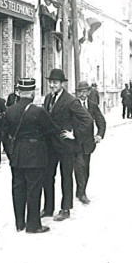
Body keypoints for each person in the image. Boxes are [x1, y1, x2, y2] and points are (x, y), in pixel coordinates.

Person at [3, 78, 58, 233]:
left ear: (19, 92)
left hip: (17, 155)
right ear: (32, 93)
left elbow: (4, 135)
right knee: (34, 189)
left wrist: (10, 153)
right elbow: (51, 131)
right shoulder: (38, 111)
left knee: (18, 188)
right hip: (35, 154)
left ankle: (19, 223)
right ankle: (33, 225)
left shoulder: (10, 110)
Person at [41, 69, 93, 221]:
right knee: (48, 177)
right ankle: (48, 208)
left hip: (66, 146)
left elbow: (88, 120)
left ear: (62, 84)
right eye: (50, 82)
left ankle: (65, 209)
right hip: (50, 146)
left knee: (66, 177)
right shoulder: (48, 98)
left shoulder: (70, 100)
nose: (52, 85)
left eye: (55, 83)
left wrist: (75, 134)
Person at [74, 81, 106, 204]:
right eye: (80, 91)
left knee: (85, 168)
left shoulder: (92, 105)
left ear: (88, 92)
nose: (83, 94)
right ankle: (82, 193)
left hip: (88, 143)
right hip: (76, 142)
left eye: (85, 91)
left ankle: (81, 190)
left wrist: (99, 135)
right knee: (78, 167)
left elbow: (101, 121)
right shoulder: (74, 105)